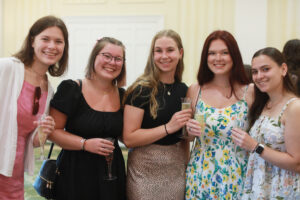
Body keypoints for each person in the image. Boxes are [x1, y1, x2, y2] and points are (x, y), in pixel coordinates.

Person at [49, 37, 127, 200]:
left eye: (118, 58)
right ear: (94, 57)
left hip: (111, 172)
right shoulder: (71, 89)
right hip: (75, 171)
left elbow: (127, 136)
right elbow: (53, 132)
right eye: (106, 56)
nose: (112, 62)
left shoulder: (123, 96)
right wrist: (85, 144)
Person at [0, 15, 68, 199]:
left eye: (58, 41)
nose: (52, 46)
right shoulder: (7, 68)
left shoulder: (49, 89)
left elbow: (32, 140)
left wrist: (43, 133)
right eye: (45, 39)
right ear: (32, 41)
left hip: (13, 172)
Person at [185, 30, 254, 199]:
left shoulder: (250, 91)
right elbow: (186, 137)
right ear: (205, 57)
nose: (218, 58)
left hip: (238, 174)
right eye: (212, 53)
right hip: (200, 174)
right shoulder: (195, 90)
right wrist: (188, 130)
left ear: (234, 56)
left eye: (224, 53)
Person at [123, 29, 192, 200]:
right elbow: (129, 138)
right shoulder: (141, 89)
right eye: (158, 51)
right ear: (152, 55)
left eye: (170, 50)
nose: (164, 56)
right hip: (143, 171)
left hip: (176, 171)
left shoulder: (184, 90)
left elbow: (185, 137)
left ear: (180, 53)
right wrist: (168, 127)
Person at [232, 47, 300, 199]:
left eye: (265, 69)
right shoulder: (263, 103)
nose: (259, 76)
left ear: (283, 69)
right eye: (255, 72)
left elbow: (296, 162)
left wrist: (255, 147)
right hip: (258, 187)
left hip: (282, 189)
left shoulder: (294, 107)